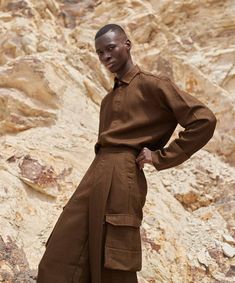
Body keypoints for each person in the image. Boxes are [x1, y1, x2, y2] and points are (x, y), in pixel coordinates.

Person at [37, 24, 216, 283]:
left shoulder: (154, 85)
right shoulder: (107, 100)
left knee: (115, 258)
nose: (105, 57)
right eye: (100, 53)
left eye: (111, 48)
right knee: (62, 251)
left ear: (127, 44)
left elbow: (204, 120)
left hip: (124, 174)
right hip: (96, 170)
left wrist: (160, 156)